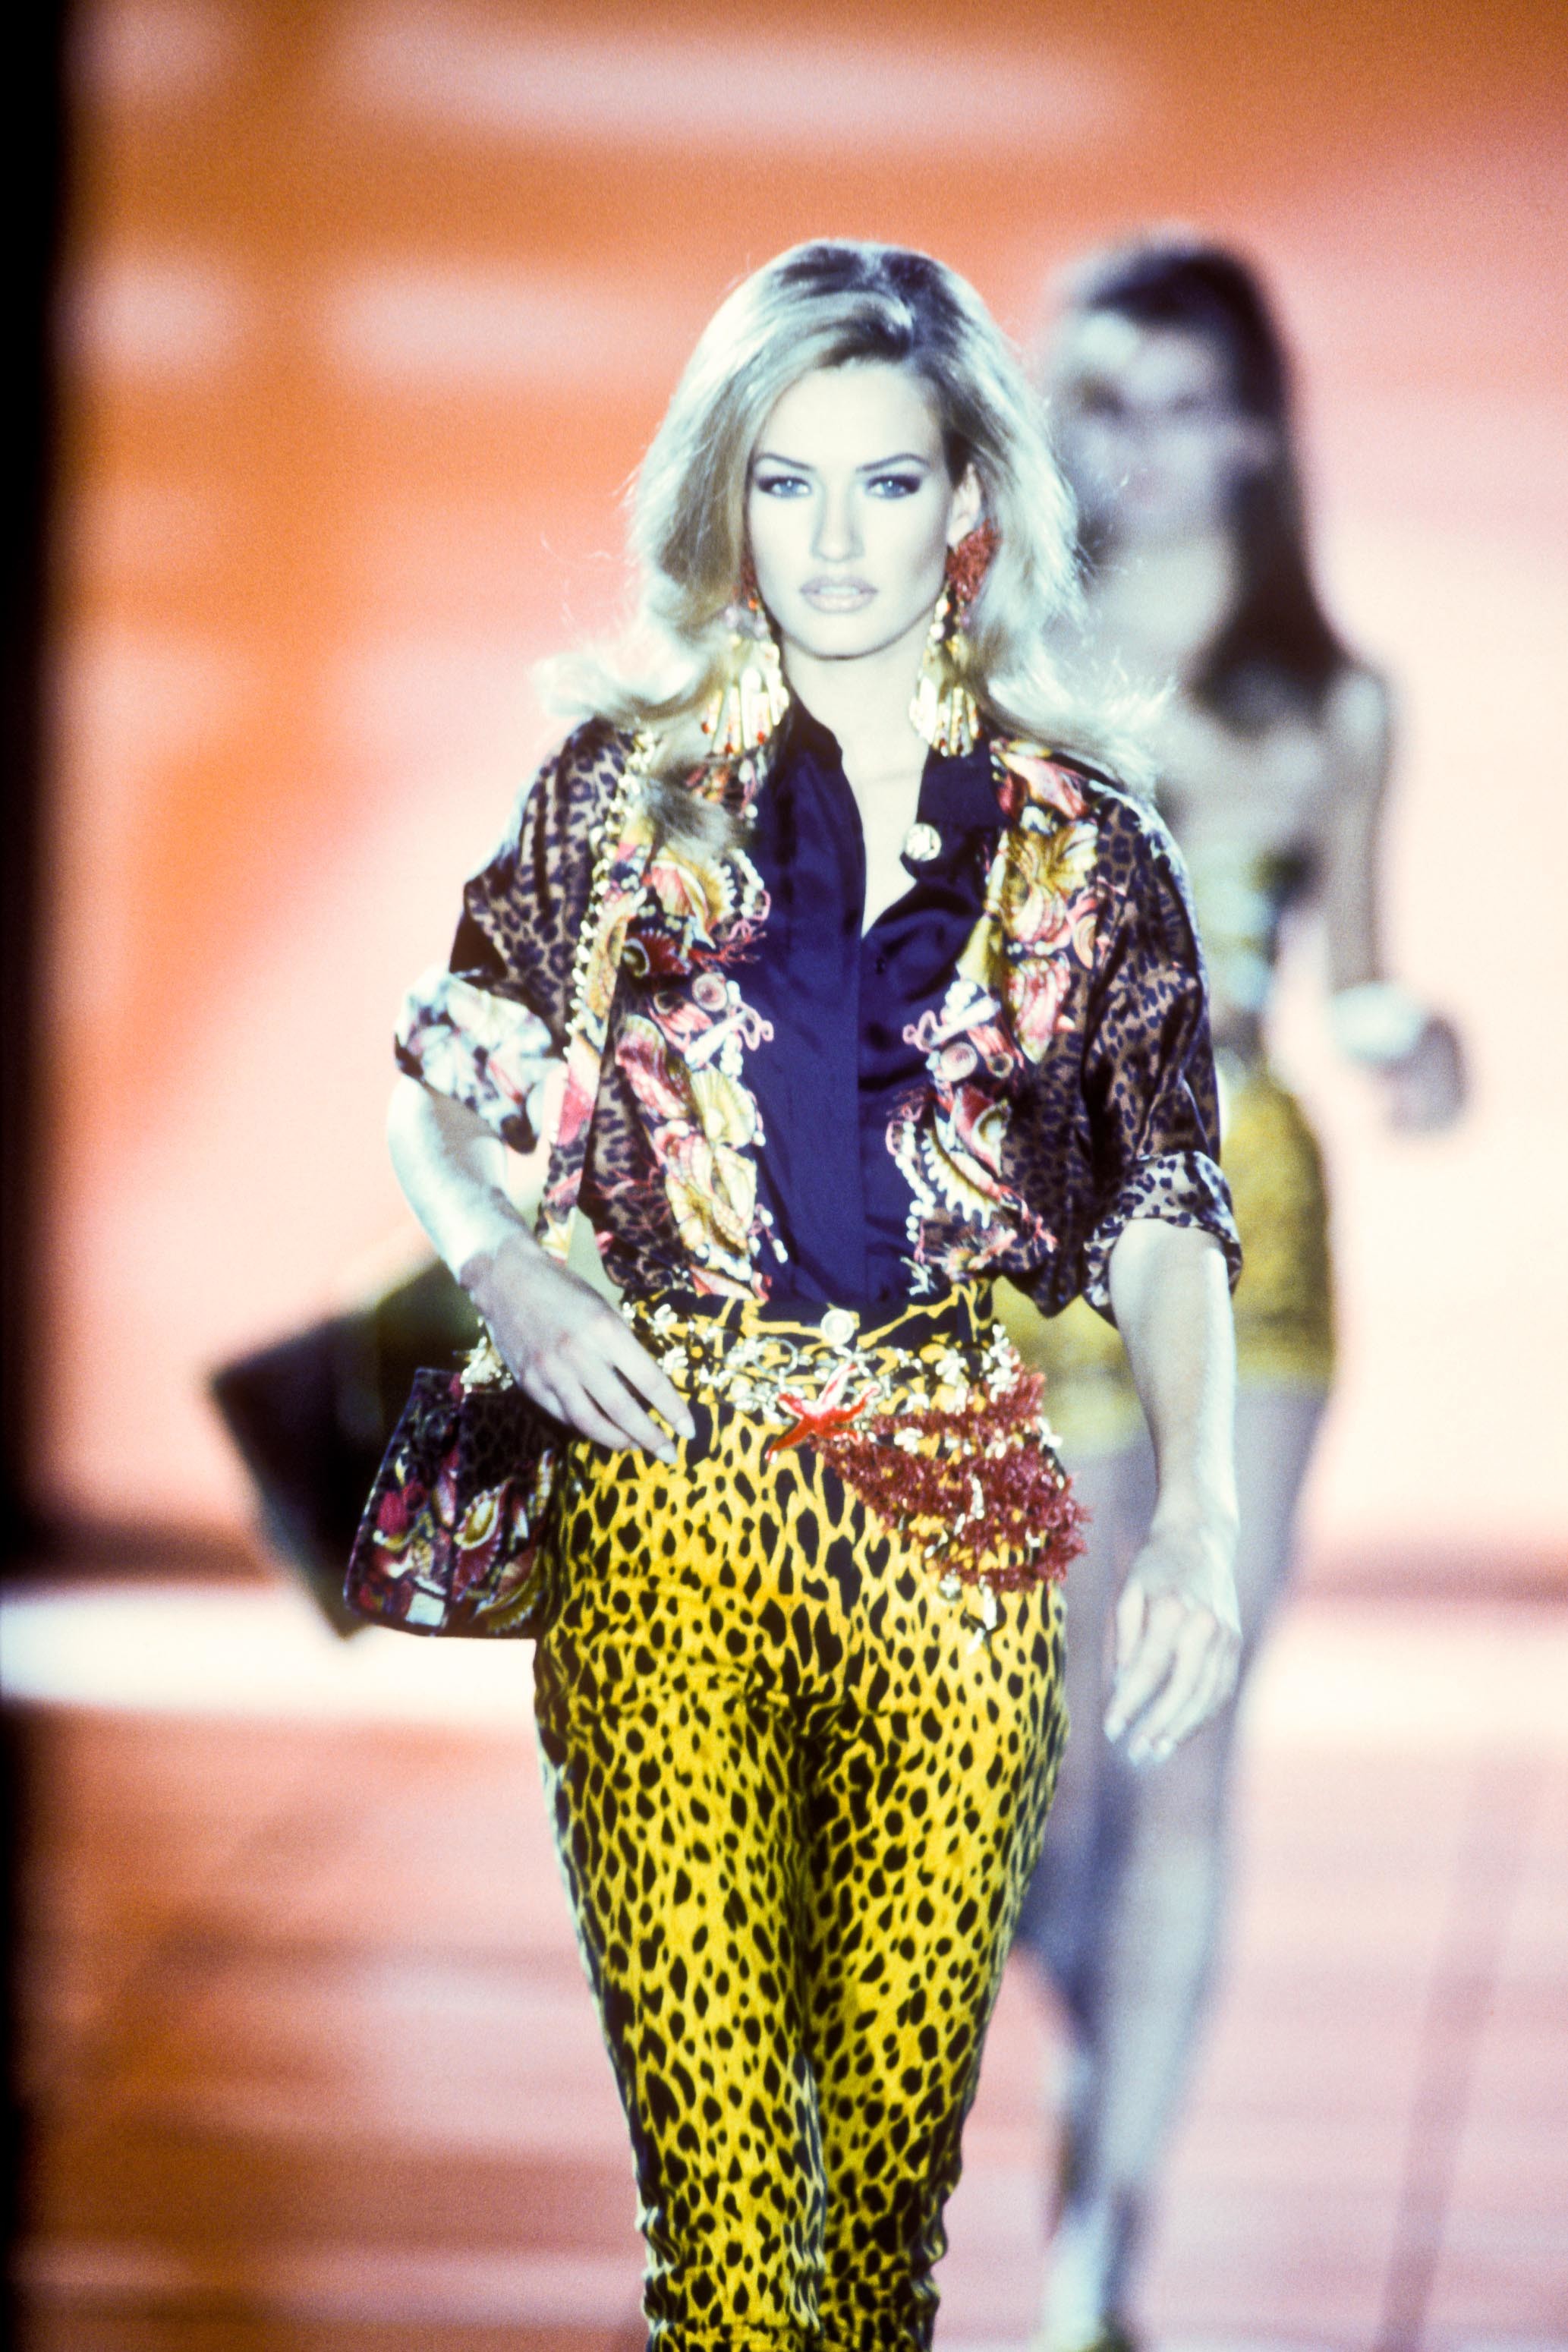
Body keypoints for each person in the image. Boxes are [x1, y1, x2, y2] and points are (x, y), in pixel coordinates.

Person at [385, 239, 1244, 2352]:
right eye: (786, 482)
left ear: (971, 498)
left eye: (885, 481)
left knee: (874, 2248)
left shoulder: (1085, 844)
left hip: (954, 1524)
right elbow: (443, 1077)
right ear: (726, 495)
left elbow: (1165, 1194)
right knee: (725, 2249)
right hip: (662, 1494)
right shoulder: (619, 792)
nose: (834, 541)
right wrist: (507, 1268)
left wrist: (1200, 1514)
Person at [1004, 234, 1465, 2352]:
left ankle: (1103, 2236)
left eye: (1190, 407)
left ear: (1260, 431)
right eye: (1108, 403)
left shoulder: (1331, 705)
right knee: (1034, 1764)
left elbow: (1350, 965)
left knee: (1181, 1736)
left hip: (1244, 1208)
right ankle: (1070, 1986)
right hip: (1015, 1219)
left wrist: (1402, 1035)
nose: (1148, 450)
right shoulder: (985, 661)